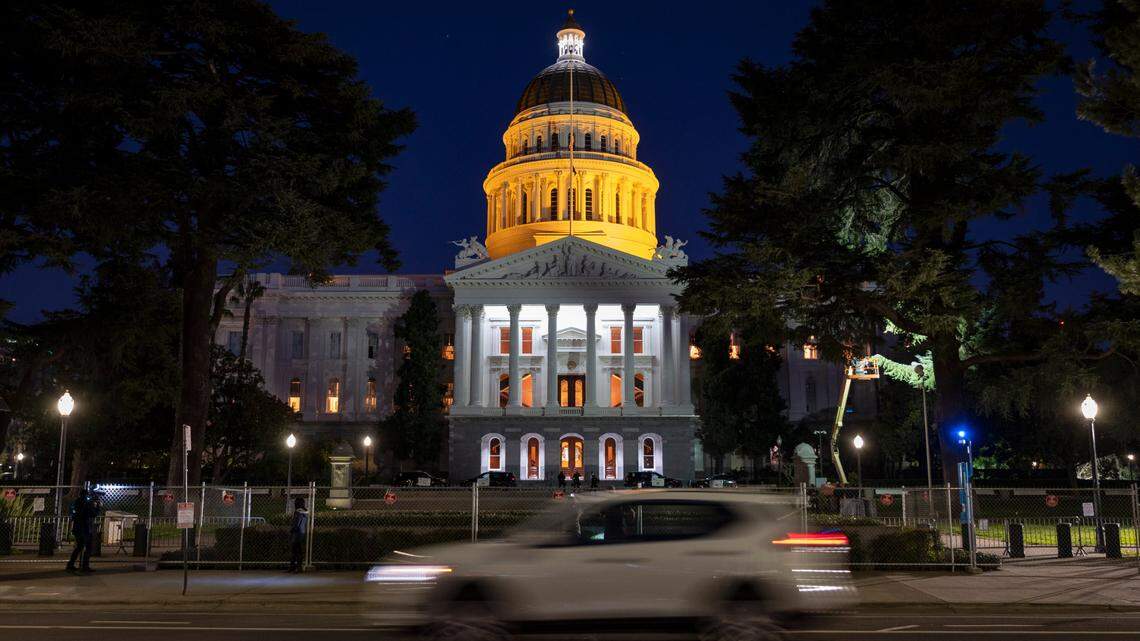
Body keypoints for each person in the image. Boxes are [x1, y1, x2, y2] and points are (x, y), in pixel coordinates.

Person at [66, 488, 98, 574]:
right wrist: (97, 506)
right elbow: (93, 514)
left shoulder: (77, 502)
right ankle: (85, 565)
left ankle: (70, 564)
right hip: (85, 528)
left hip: (78, 528)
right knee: (88, 548)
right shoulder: (86, 504)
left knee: (79, 547)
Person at [288, 496, 309, 573]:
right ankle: (297, 567)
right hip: (302, 532)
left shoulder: (298, 512)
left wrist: (291, 530)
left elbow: (296, 523)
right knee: (298, 551)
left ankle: (294, 567)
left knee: (294, 551)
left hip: (296, 533)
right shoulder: (305, 512)